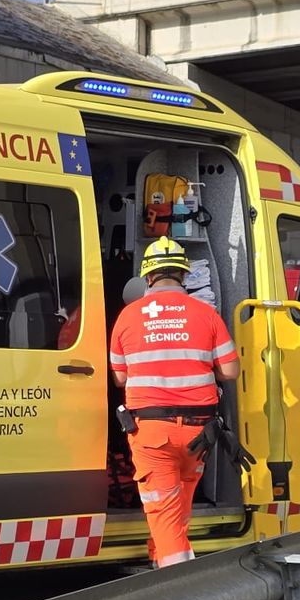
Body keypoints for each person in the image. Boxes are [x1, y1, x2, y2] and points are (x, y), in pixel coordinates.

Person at [109, 237, 239, 568]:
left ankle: (178, 590)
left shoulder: (127, 316)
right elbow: (230, 370)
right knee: (176, 508)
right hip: (199, 434)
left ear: (147, 277)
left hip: (153, 434)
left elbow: (120, 379)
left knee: (164, 510)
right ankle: (159, 560)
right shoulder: (205, 314)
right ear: (183, 275)